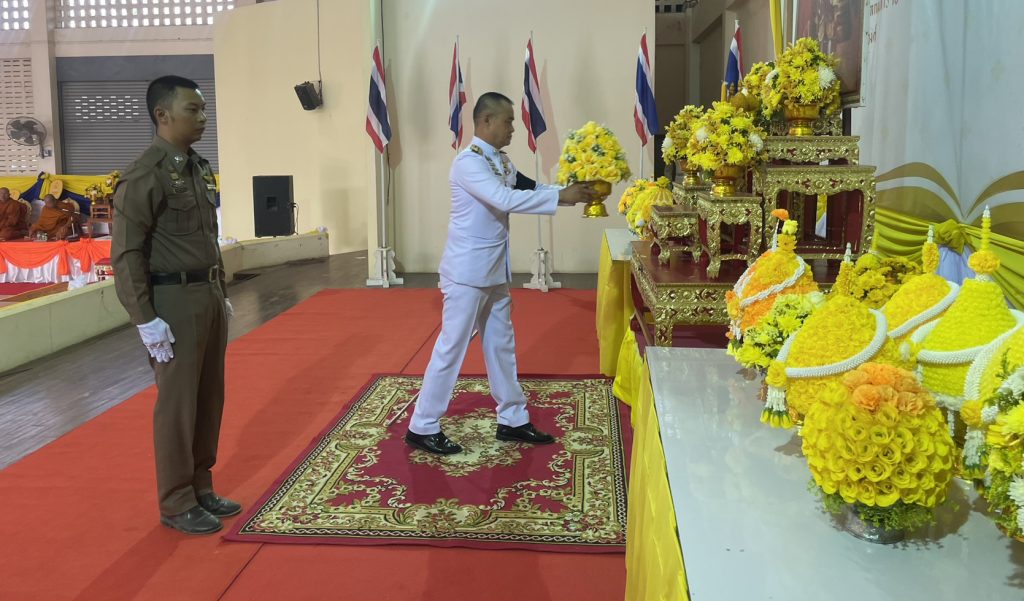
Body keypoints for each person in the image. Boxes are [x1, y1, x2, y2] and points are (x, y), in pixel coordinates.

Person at [405, 92, 599, 455]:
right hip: (466, 273)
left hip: (494, 270)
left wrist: (570, 193)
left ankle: (512, 418)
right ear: (486, 121)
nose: (513, 128)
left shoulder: (500, 161)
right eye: (508, 121)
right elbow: (505, 199)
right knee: (451, 348)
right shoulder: (469, 163)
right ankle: (422, 425)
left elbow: (531, 188)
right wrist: (561, 197)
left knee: (501, 346)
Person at [111, 75, 238, 535]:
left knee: (209, 398)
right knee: (178, 404)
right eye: (193, 110)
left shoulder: (197, 167)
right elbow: (126, 254)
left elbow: (207, 237)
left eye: (204, 110)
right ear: (162, 115)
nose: (203, 118)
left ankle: (201, 485)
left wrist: (220, 291)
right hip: (173, 301)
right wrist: (145, 319)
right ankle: (176, 500)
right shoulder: (145, 174)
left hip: (206, 294)